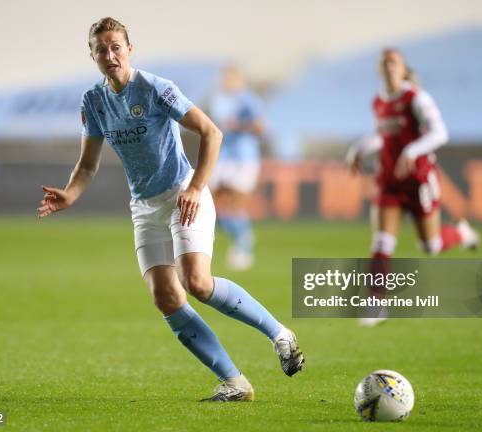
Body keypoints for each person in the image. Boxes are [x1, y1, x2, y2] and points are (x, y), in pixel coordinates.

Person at [37, 17, 303, 401]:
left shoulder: (156, 88)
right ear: (92, 55)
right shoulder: (93, 101)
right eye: (101, 49)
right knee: (166, 298)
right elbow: (88, 163)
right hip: (144, 207)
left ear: (130, 49)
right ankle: (234, 382)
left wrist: (196, 188)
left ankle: (280, 334)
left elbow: (212, 132)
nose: (110, 55)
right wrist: (71, 193)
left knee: (197, 282)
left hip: (182, 193)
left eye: (116, 46)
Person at [346, 48, 480, 327]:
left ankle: (461, 232)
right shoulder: (379, 101)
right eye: (383, 61)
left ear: (403, 69)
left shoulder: (416, 98)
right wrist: (358, 150)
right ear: (379, 69)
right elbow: (381, 136)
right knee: (382, 241)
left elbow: (440, 133)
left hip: (419, 180)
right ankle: (375, 302)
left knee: (430, 245)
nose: (388, 65)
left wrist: (412, 150)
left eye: (393, 61)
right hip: (390, 180)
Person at [208, 66, 264, 270]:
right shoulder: (218, 99)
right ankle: (242, 233)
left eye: (232, 78)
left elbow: (260, 127)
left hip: (244, 157)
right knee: (210, 204)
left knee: (235, 204)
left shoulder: (248, 100)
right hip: (222, 156)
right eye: (225, 77)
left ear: (240, 80)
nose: (228, 81)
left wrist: (238, 126)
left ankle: (243, 246)